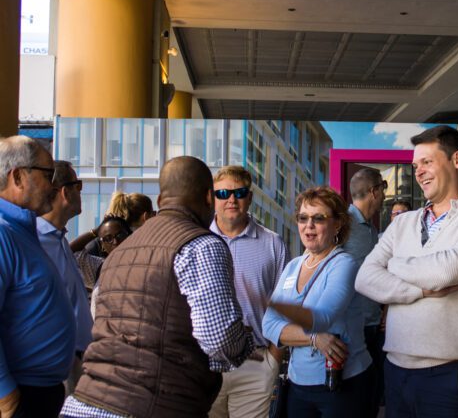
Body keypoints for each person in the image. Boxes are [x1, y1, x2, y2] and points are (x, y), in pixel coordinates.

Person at [61, 156, 254, 418]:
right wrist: (246, 342)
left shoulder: (119, 252)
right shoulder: (201, 246)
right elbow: (218, 338)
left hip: (84, 402)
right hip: (149, 405)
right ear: (209, 197)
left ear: (161, 201)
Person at [355, 125, 458, 418]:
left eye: (426, 162)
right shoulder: (402, 223)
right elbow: (365, 278)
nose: (419, 172)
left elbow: (445, 271)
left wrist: (395, 263)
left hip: (452, 376)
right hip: (396, 370)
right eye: (415, 166)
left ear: (457, 160)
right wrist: (419, 290)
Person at [263, 186, 373, 417]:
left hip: (343, 384)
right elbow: (268, 325)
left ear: (338, 224)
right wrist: (315, 339)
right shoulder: (293, 266)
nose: (308, 225)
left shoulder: (344, 264)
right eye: (303, 218)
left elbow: (321, 318)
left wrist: (304, 333)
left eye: (318, 218)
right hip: (297, 385)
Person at [0, 136, 75, 418]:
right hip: (21, 397)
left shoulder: (22, 231)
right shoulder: (3, 233)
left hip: (38, 392)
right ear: (18, 176)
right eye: (48, 174)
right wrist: (6, 398)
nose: (55, 186)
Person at [209, 165, 287, 418]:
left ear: (249, 198)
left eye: (239, 192)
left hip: (256, 362)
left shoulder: (273, 243)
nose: (231, 199)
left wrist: (273, 359)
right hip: (207, 364)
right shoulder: (197, 240)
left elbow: (283, 303)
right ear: (212, 198)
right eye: (222, 194)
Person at [36, 160, 92, 394]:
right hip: (61, 367)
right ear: (64, 192)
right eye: (78, 186)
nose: (81, 193)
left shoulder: (58, 240)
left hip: (79, 362)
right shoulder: (37, 242)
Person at [342, 167, 387, 418]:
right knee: (353, 403)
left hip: (373, 327)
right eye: (383, 189)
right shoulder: (343, 224)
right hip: (351, 332)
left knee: (372, 400)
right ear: (374, 191)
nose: (383, 195)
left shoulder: (371, 229)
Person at [69, 191, 154, 252]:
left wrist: (96, 231)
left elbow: (69, 251)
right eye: (153, 213)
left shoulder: (98, 243)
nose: (115, 241)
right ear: (145, 217)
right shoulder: (138, 246)